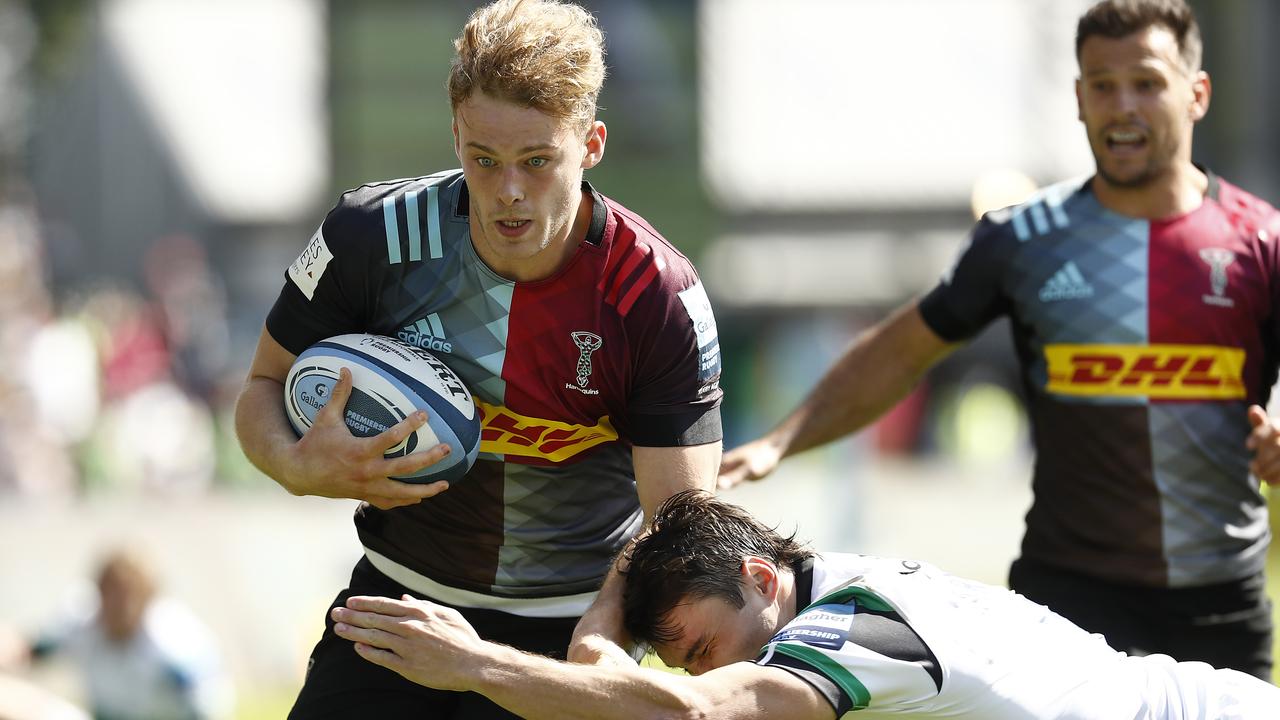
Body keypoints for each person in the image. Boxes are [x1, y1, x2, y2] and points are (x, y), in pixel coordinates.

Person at [718, 0, 1280, 680]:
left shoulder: (1260, 241)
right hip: (1070, 599)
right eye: (1102, 85)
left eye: (1148, 82)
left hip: (1220, 600)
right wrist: (782, 438)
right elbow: (903, 350)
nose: (1122, 105)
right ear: (1078, 98)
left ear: (1197, 94)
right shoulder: (1025, 240)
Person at [232, 0, 723, 716]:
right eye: (483, 160)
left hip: (570, 623)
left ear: (591, 144)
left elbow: (678, 521)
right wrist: (295, 464)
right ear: (456, 132)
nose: (509, 192)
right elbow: (262, 387)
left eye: (537, 160)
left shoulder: (655, 294)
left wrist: (603, 635)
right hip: (402, 600)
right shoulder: (370, 238)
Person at [329, 490, 1280, 719]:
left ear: (757, 578)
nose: (705, 671)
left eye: (701, 646)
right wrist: (616, 593)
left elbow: (694, 715)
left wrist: (477, 666)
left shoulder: (853, 630)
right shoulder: (832, 587)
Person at [12, 547, 233, 720]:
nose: (120, 605)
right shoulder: (82, 623)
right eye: (112, 594)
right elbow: (28, 651)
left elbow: (209, 704)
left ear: (147, 596)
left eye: (129, 595)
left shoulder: (171, 641)